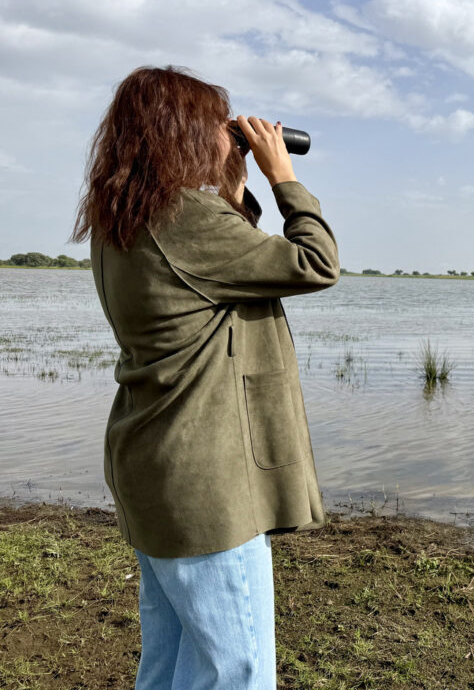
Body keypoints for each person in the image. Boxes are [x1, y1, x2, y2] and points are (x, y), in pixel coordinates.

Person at [71, 65, 340, 689]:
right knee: (235, 672)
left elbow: (221, 272)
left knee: (169, 662)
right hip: (205, 485)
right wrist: (283, 180)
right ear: (183, 133)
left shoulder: (122, 220)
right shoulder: (186, 220)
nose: (229, 133)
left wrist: (233, 191)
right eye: (216, 123)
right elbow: (314, 262)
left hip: (155, 466)